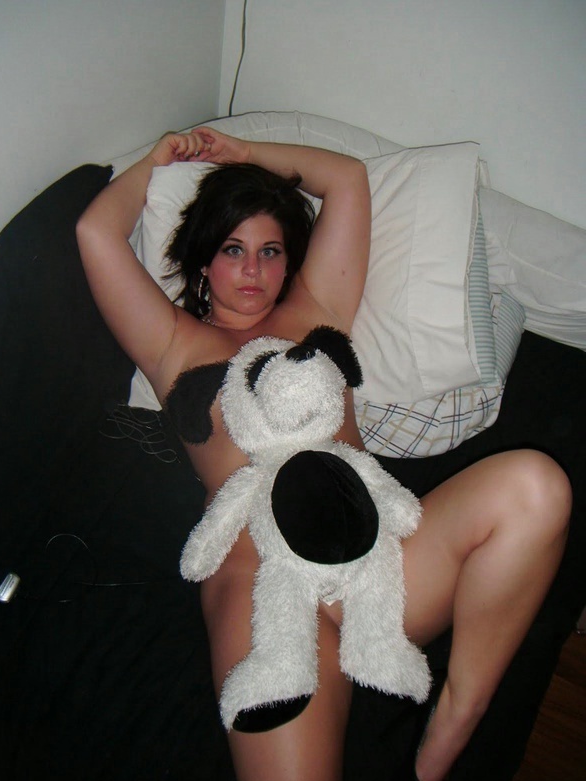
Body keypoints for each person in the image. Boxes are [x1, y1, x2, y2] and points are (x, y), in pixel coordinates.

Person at [76, 128, 571, 781]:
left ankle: (456, 714)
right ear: (203, 261)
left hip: (379, 569)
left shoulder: (318, 310)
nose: (252, 270)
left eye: (270, 251)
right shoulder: (172, 344)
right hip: (264, 593)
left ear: (289, 262)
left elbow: (345, 179)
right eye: (232, 249)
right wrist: (159, 157)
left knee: (538, 486)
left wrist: (241, 152)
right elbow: (95, 233)